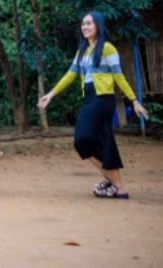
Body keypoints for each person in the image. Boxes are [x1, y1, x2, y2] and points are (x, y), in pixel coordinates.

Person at [38, 11, 147, 199]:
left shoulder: (107, 48)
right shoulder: (82, 51)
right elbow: (70, 74)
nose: (85, 27)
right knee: (88, 142)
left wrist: (134, 100)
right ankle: (115, 184)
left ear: (98, 25)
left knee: (86, 139)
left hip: (103, 99)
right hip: (89, 98)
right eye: (83, 24)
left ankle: (116, 184)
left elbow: (119, 77)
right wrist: (51, 94)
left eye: (89, 23)